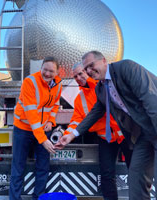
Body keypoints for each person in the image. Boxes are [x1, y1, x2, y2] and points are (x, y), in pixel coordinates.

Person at [56, 50, 157, 200]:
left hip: (148, 129)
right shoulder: (101, 89)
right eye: (86, 69)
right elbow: (94, 113)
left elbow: (152, 102)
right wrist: (71, 135)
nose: (89, 71)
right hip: (138, 134)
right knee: (136, 177)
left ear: (103, 60)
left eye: (91, 66)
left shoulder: (126, 68)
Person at [62, 62, 132, 200]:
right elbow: (76, 121)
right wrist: (66, 136)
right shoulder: (79, 99)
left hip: (124, 135)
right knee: (106, 174)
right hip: (105, 138)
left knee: (135, 171)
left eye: (81, 73)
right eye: (75, 76)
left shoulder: (105, 85)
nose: (78, 77)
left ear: (89, 70)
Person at [9, 56, 62, 200]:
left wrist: (51, 121)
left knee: (43, 168)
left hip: (44, 129)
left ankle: (38, 197)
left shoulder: (58, 85)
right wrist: (43, 140)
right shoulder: (30, 82)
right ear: (41, 67)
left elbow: (55, 105)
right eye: (45, 69)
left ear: (57, 72)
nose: (47, 73)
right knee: (18, 167)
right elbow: (31, 113)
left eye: (51, 71)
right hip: (23, 129)